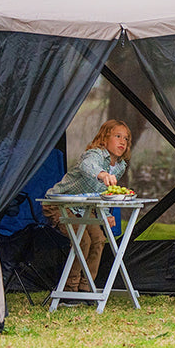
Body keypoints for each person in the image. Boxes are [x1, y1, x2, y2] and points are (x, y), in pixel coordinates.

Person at [43, 120, 132, 303]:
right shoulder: (94, 154)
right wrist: (102, 174)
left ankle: (87, 288)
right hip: (61, 205)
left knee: (98, 240)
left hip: (87, 208)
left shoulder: (121, 165)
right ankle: (70, 290)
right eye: (117, 136)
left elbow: (105, 193)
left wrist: (106, 214)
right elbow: (88, 166)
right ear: (104, 138)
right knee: (82, 240)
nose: (122, 142)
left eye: (126, 138)